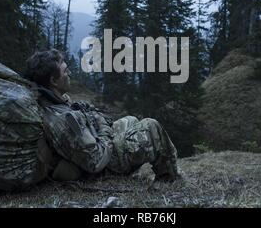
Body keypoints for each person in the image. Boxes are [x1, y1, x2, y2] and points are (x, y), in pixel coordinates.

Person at [24, 49, 180, 182]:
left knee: (131, 120)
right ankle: (170, 178)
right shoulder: (60, 120)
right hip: (101, 167)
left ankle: (134, 171)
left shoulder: (54, 102)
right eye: (65, 71)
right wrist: (103, 128)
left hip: (96, 145)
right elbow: (95, 161)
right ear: (53, 81)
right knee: (151, 127)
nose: (69, 72)